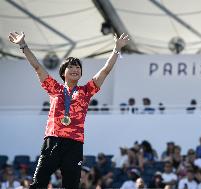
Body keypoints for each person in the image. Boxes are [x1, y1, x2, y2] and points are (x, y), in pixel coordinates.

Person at [8, 31, 130, 189]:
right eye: (71, 66)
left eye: (78, 67)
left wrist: (116, 49)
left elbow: (105, 71)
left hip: (74, 144)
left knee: (71, 186)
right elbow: (37, 67)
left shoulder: (86, 91)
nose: (76, 69)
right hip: (53, 140)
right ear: (63, 72)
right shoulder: (54, 88)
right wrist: (23, 45)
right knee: (38, 184)